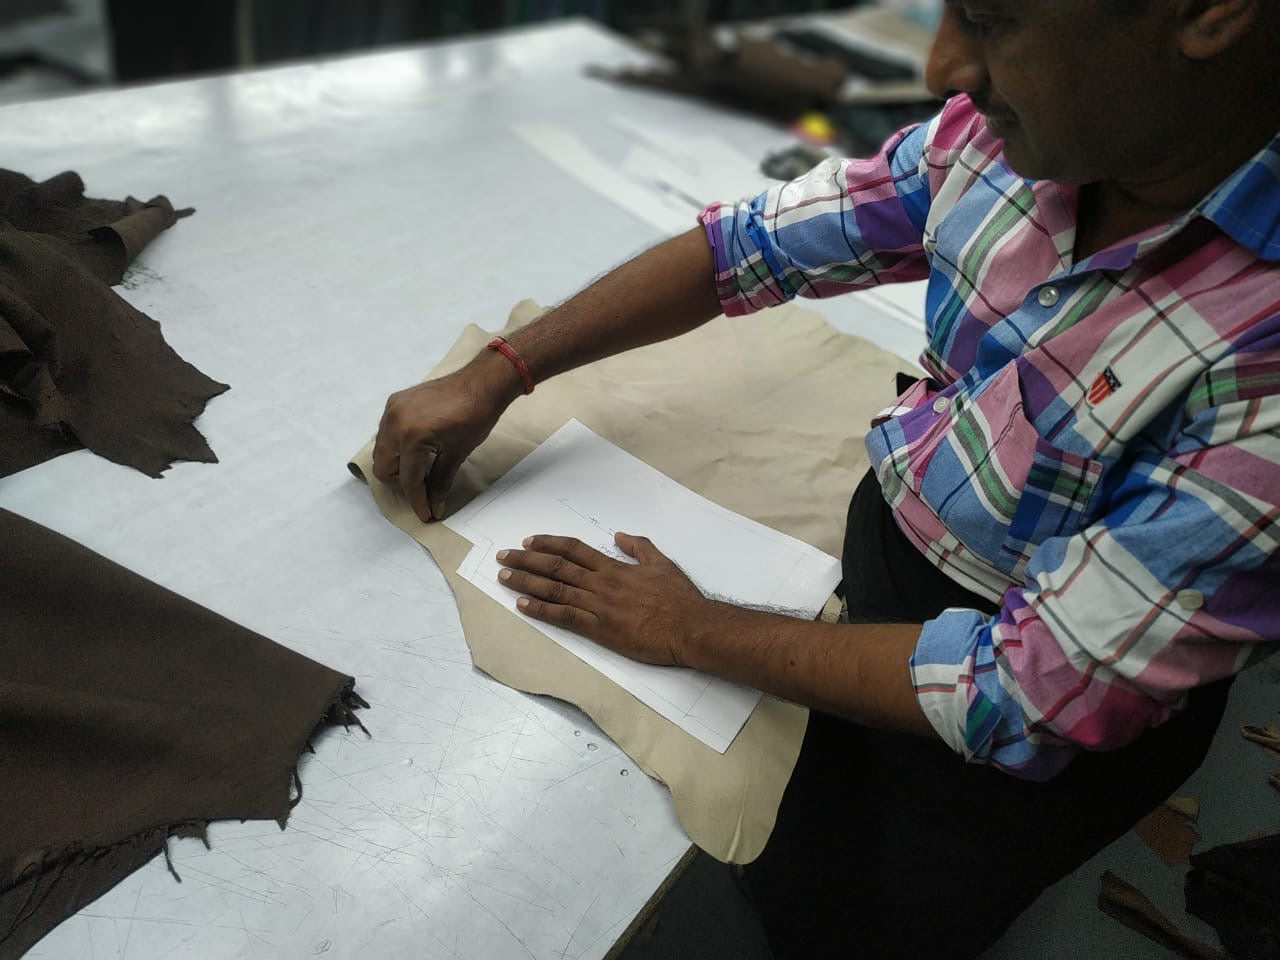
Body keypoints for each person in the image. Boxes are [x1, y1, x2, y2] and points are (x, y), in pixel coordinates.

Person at [373, 1, 1280, 955]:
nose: (942, 68)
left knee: (871, 915)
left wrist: (689, 628)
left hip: (1012, 763)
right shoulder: (1013, 137)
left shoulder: (1259, 358)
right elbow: (747, 247)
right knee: (799, 820)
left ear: (1211, 13)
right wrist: (502, 371)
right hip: (909, 597)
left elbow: (1031, 693)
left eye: (990, 17)